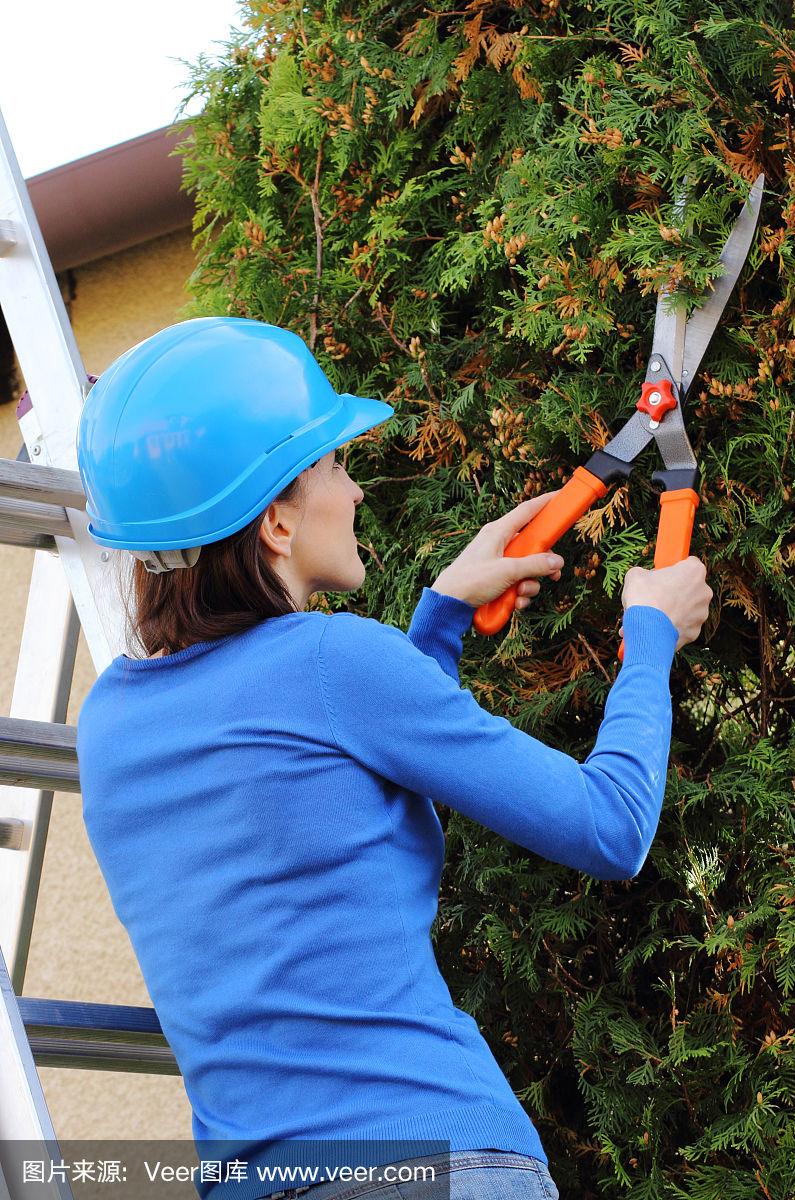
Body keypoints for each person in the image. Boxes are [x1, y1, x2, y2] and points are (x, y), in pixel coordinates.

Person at [75, 317, 712, 1200]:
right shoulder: (334, 663)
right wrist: (650, 639)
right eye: (333, 464)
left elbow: (311, 794)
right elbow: (611, 828)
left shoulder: (108, 726)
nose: (357, 490)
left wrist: (442, 619)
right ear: (276, 523)